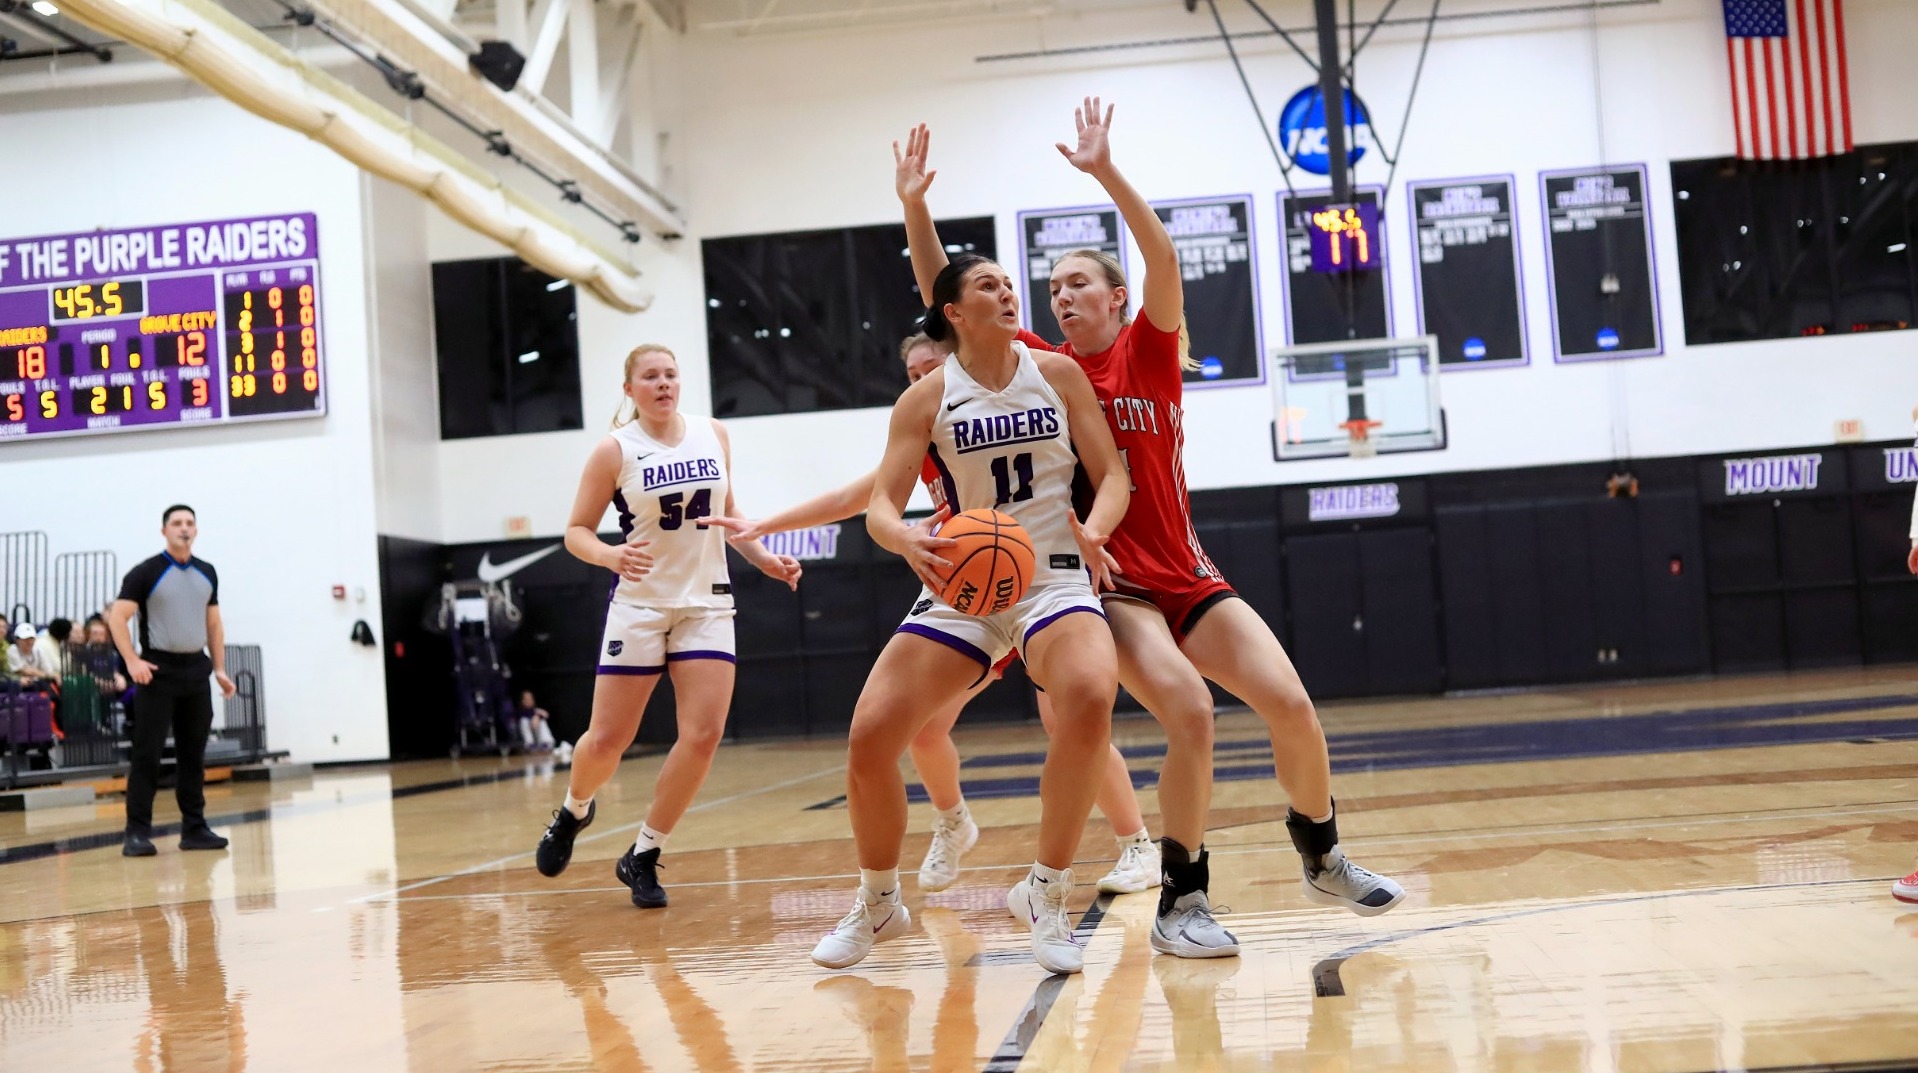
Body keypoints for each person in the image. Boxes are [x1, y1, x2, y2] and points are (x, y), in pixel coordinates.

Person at [896, 103, 1404, 959]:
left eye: (1078, 283)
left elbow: (1162, 253)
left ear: (1117, 296)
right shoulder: (1037, 369)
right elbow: (946, 295)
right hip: (1107, 581)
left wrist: (1104, 172)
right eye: (1052, 287)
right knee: (1193, 713)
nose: (1060, 296)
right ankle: (1184, 897)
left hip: (1188, 570)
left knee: (1292, 705)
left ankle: (1322, 852)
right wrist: (916, 206)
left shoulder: (1149, 350)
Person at [706, 332, 1160, 896]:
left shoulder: (1016, 398)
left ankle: (1136, 843)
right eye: (913, 372)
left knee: (1069, 718)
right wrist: (765, 526)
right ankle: (952, 821)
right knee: (923, 728)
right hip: (978, 591)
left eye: (931, 366)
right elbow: (859, 497)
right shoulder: (927, 430)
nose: (922, 378)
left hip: (1048, 579)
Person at [808, 252, 1131, 976]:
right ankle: (879, 900)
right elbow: (882, 508)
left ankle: (1046, 893)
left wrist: (1098, 527)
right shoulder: (926, 399)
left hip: (1049, 573)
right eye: (989, 285)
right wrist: (903, 537)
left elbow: (1112, 474)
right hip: (964, 582)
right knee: (870, 736)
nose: (1009, 292)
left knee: (1086, 695)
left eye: (1011, 285)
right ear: (953, 312)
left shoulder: (1058, 374)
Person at [532, 343, 803, 909]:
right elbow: (576, 531)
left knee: (702, 737)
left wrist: (767, 559)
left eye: (671, 375)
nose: (663, 384)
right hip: (640, 604)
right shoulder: (615, 450)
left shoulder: (713, 434)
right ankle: (574, 809)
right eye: (650, 377)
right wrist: (608, 556)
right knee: (608, 740)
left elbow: (730, 518)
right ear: (629, 390)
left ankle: (645, 854)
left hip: (706, 603)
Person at [108, 504, 238, 857]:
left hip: (195, 672)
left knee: (193, 754)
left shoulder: (207, 572)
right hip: (157, 672)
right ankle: (136, 832)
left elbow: (214, 624)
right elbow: (117, 618)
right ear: (164, 530)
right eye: (177, 523)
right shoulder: (146, 572)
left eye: (190, 523)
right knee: (147, 755)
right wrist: (132, 660)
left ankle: (194, 828)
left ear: (196, 530)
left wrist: (220, 669)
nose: (184, 528)